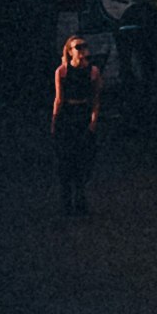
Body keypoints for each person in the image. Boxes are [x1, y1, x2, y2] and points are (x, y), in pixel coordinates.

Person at [50, 39, 100, 222]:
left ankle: (79, 196)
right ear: (70, 51)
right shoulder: (62, 72)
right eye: (78, 47)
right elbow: (59, 98)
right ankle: (67, 200)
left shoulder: (93, 72)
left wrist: (93, 120)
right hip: (68, 117)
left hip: (83, 116)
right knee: (66, 159)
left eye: (84, 46)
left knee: (83, 158)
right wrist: (55, 121)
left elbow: (95, 98)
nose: (82, 50)